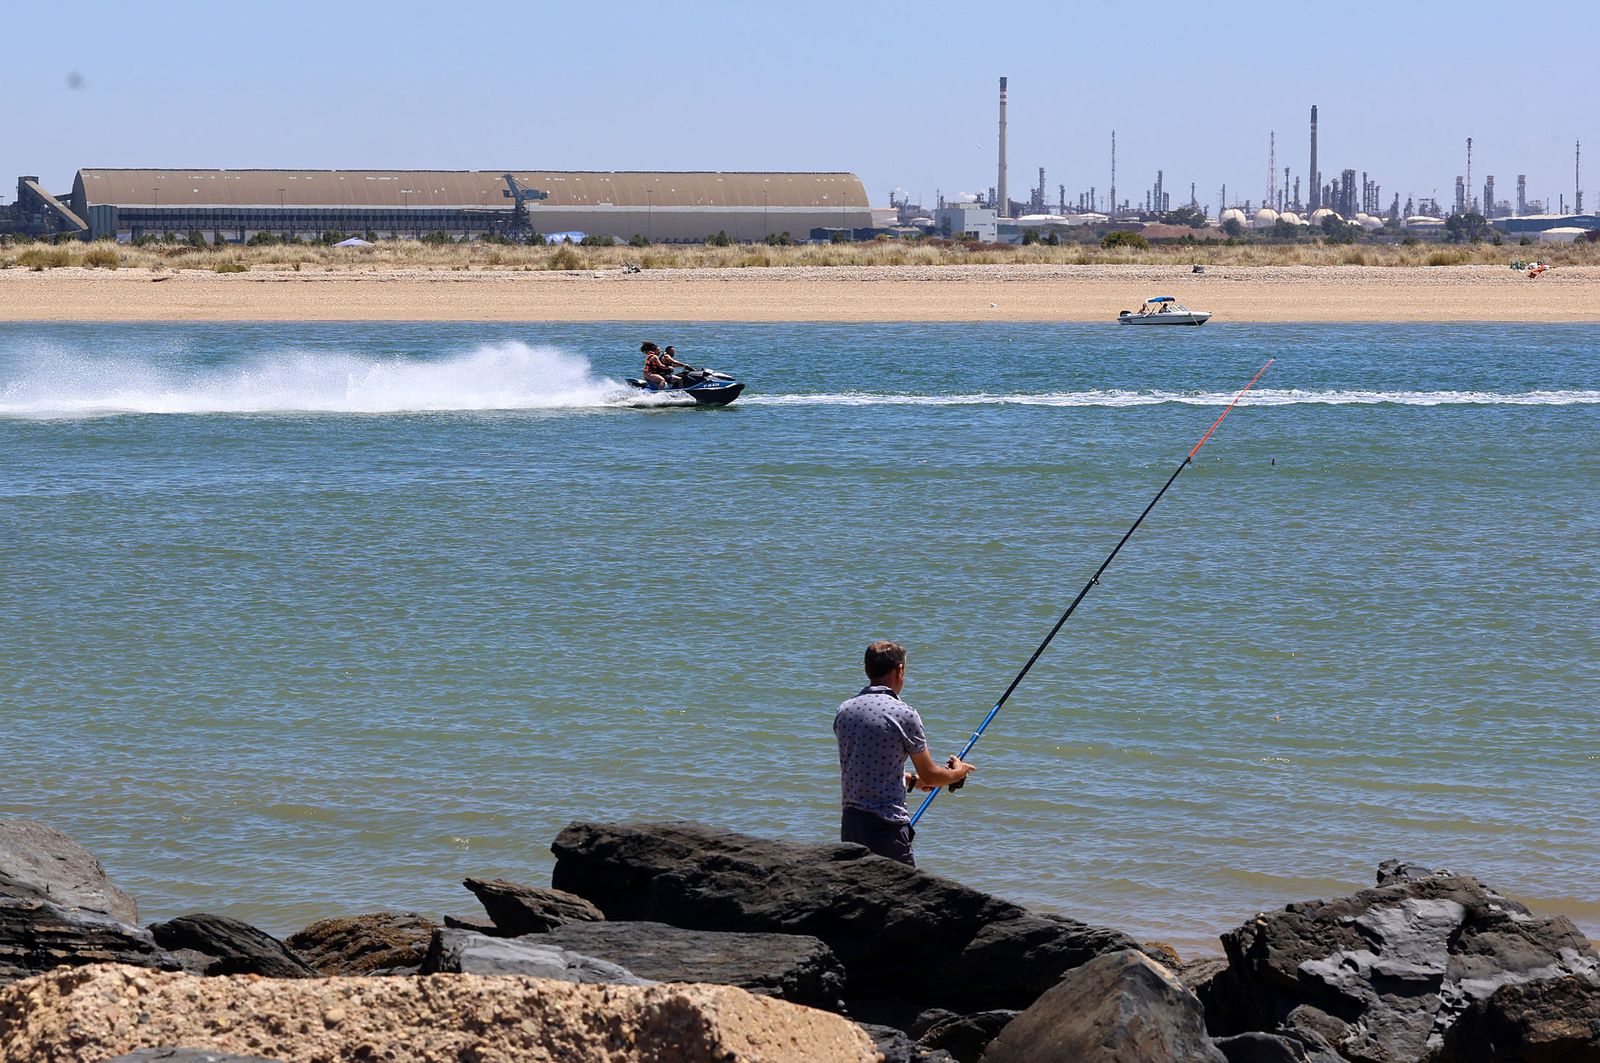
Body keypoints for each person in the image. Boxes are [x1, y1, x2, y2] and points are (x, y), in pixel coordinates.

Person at [833, 640, 974, 866]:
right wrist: (958, 772)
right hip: (886, 827)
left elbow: (865, 766)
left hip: (851, 824)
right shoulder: (904, 714)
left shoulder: (845, 710)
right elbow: (932, 776)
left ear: (867, 669)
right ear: (900, 670)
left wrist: (913, 782)